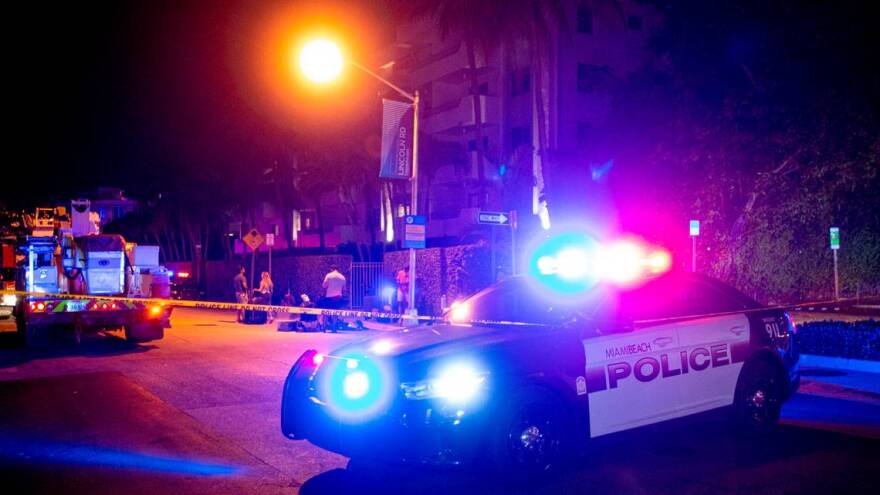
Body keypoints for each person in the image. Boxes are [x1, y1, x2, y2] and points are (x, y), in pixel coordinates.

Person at [320, 266, 346, 331]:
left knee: (326, 312)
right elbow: (344, 289)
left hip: (329, 297)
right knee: (335, 312)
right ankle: (334, 327)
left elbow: (324, 285)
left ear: (331, 269)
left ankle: (324, 327)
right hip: (338, 297)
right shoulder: (342, 277)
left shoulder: (329, 275)